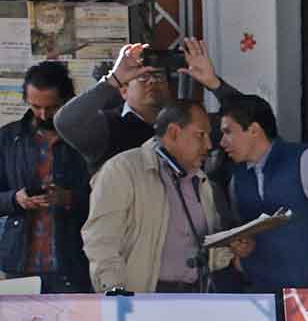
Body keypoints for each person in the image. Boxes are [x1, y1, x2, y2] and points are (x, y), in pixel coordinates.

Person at [81, 100, 242, 294]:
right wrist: (115, 292)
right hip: (140, 298)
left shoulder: (202, 181)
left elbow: (202, 247)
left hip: (194, 296)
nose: (208, 145)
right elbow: (101, 241)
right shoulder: (123, 170)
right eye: (201, 135)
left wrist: (232, 249)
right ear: (174, 132)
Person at [217, 94, 308, 293]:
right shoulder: (236, 179)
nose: (222, 142)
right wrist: (241, 253)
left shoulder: (307, 160)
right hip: (258, 293)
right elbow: (244, 233)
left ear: (254, 130)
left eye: (228, 132)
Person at [55, 39, 239, 171]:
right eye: (142, 77)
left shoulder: (188, 123)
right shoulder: (109, 127)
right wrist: (112, 79)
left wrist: (214, 84)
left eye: (159, 76)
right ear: (123, 90)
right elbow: (66, 122)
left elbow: (248, 119)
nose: (152, 82)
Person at [0, 61, 92, 293]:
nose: (43, 114)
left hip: (72, 261)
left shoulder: (86, 138)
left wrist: (69, 198)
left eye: (51, 107)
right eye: (35, 106)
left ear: (68, 100)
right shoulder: (9, 138)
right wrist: (15, 199)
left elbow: (108, 200)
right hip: (19, 262)